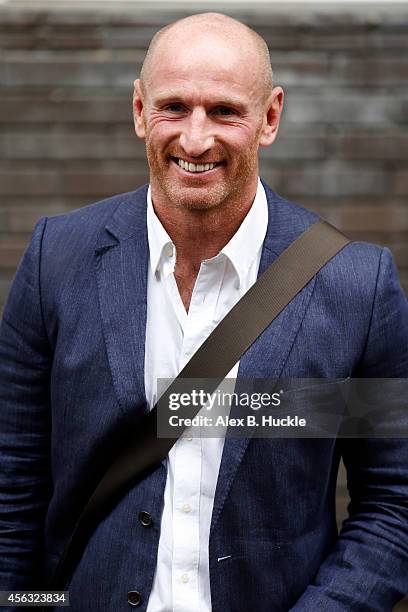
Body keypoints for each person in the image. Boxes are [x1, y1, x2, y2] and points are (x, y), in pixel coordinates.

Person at [0, 11, 407, 612]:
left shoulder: (355, 286)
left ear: (269, 117)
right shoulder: (54, 261)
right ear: (139, 111)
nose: (195, 139)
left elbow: (394, 502)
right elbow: (13, 486)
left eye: (224, 111)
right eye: (173, 107)